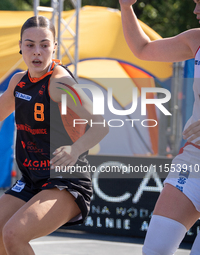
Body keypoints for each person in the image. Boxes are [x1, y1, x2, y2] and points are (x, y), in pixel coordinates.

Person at [0, 15, 109, 255]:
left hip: (65, 181)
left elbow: (101, 124)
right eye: (30, 45)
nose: (37, 52)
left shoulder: (61, 82)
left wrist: (75, 149)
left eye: (44, 45)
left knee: (13, 234)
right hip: (32, 179)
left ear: (55, 47)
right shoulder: (19, 81)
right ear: (20, 46)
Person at [119, 0, 200, 254]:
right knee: (154, 251)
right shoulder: (195, 40)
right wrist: (125, 7)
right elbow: (142, 49)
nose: (196, 11)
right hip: (194, 158)